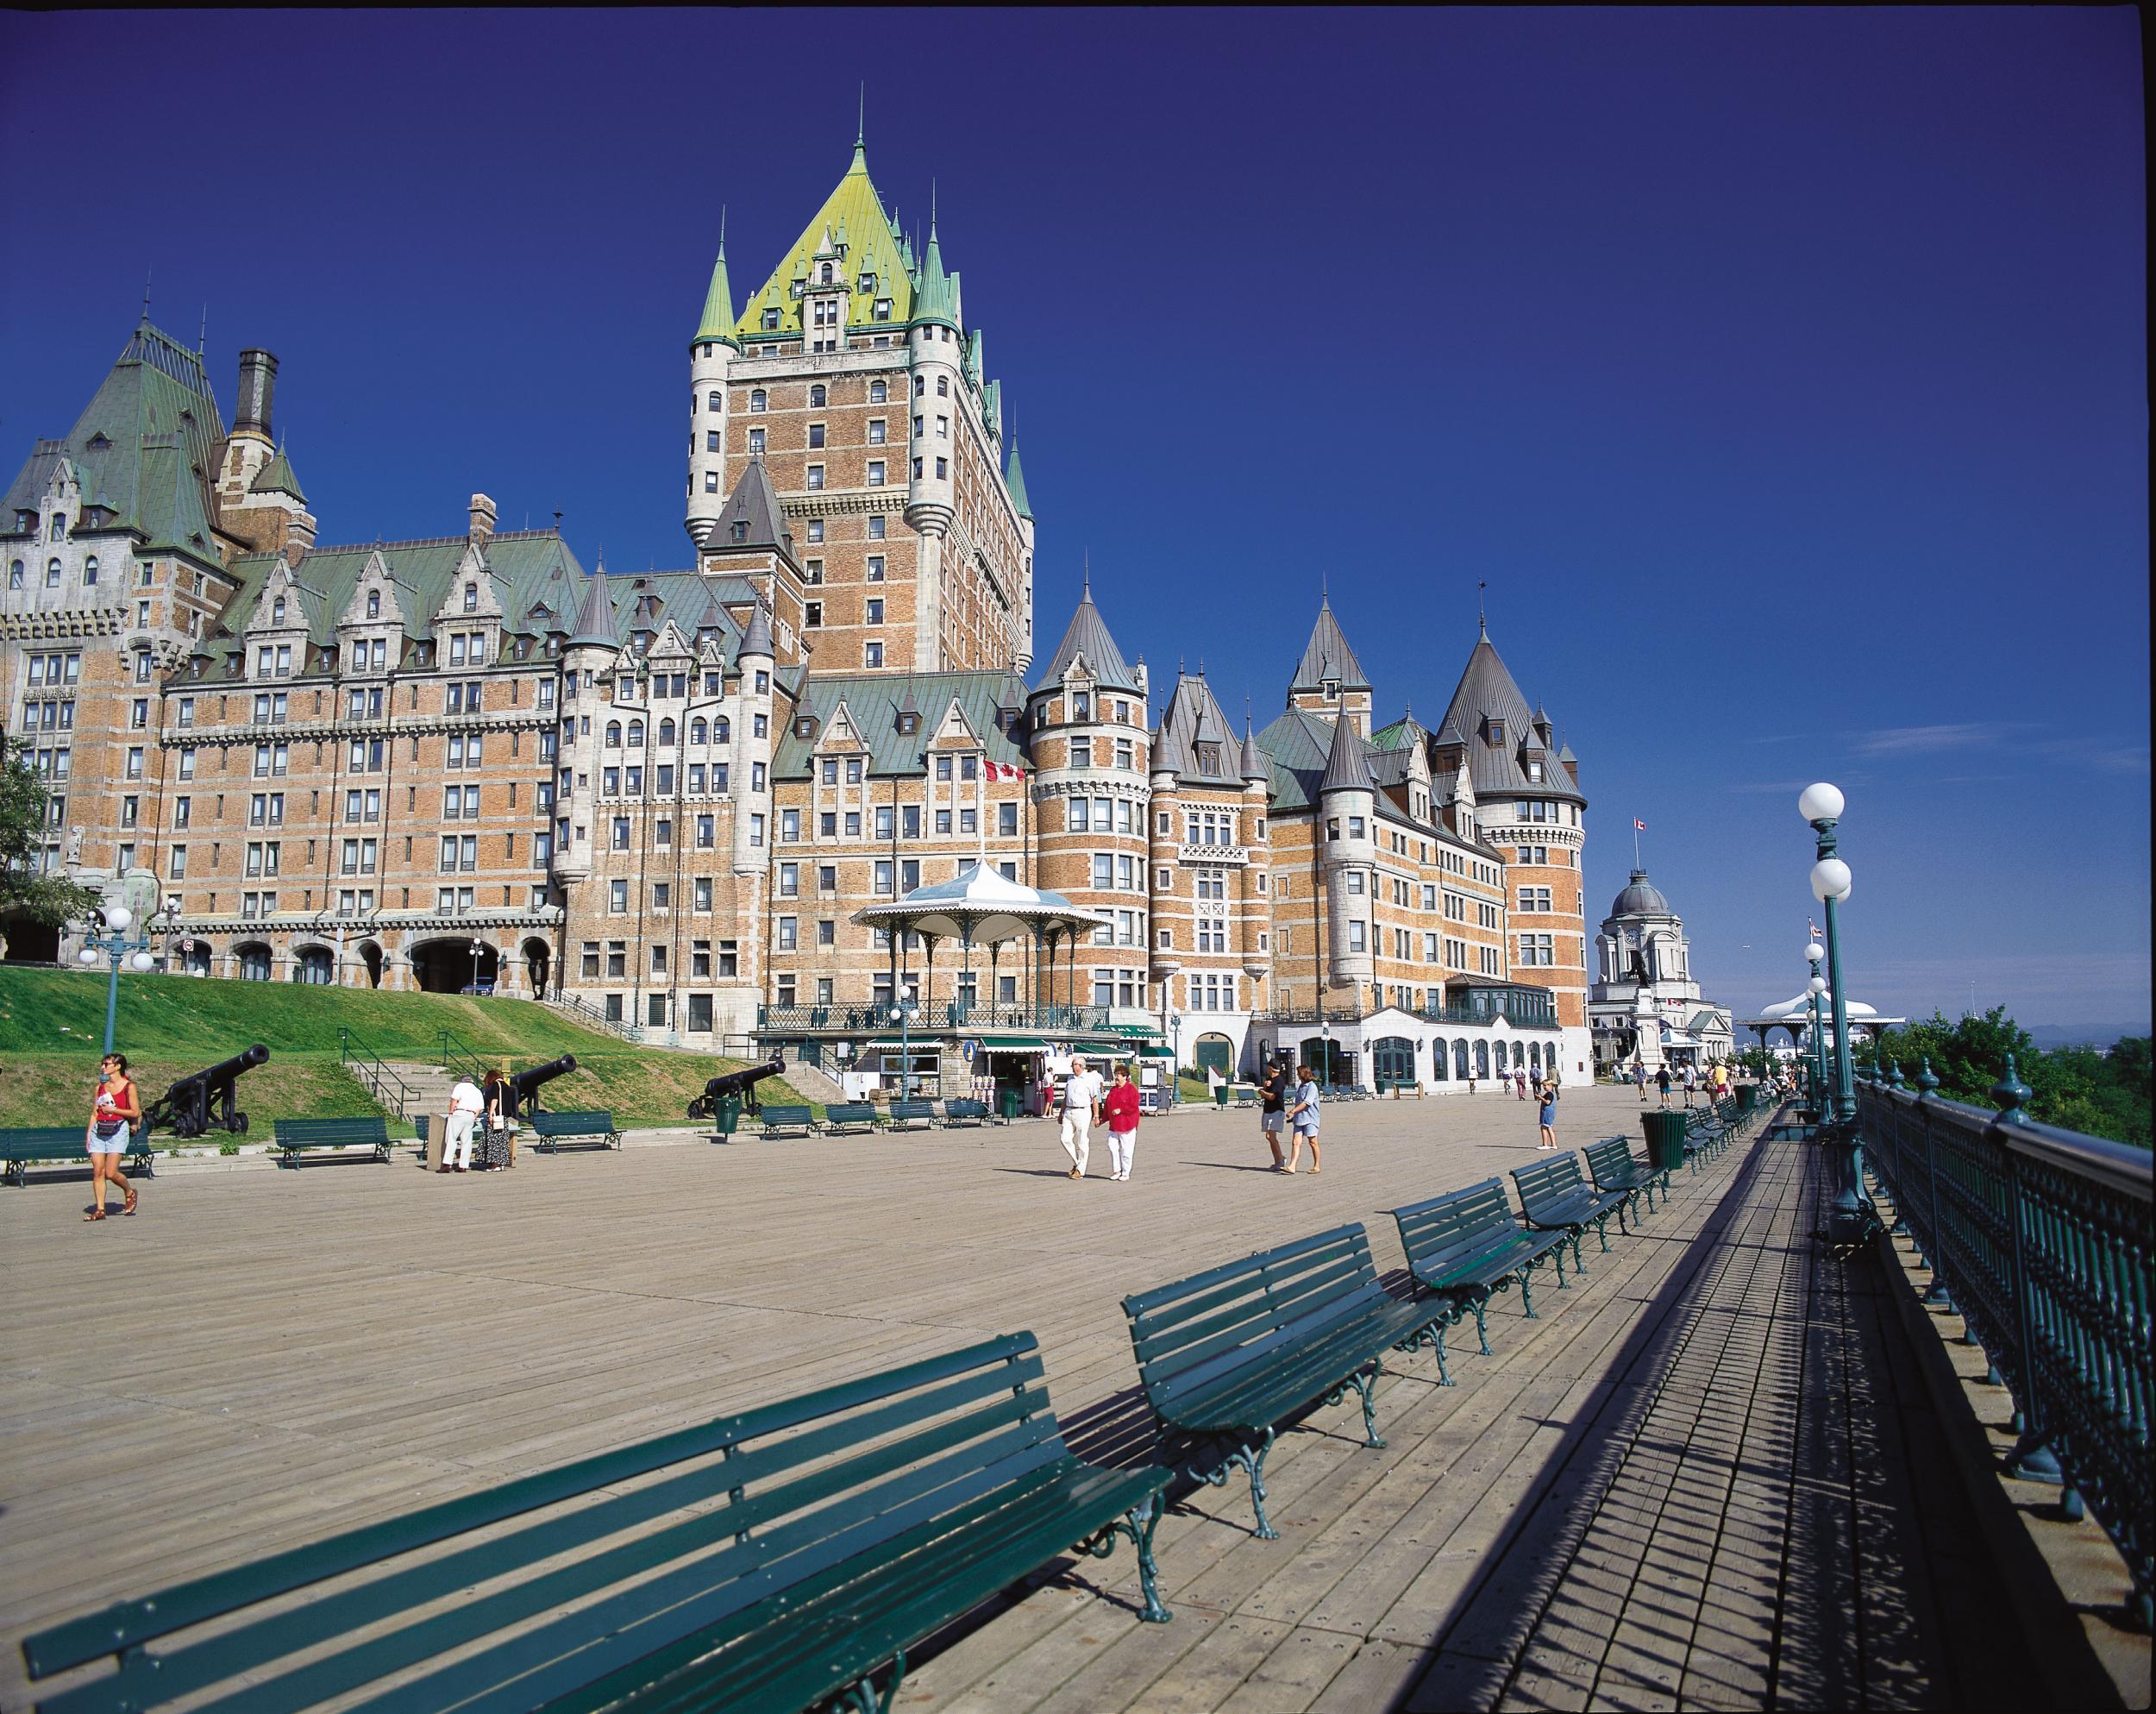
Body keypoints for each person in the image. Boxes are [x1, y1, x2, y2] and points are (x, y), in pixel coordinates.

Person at [85, 1052, 141, 1220]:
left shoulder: (129, 1087)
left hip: (118, 1130)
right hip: (99, 1130)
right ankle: (100, 1210)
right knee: (98, 1172)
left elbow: (135, 1112)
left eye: (106, 1064)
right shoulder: (100, 1088)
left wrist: (113, 1110)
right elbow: (95, 1113)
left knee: (111, 1173)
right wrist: (89, 1134)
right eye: (102, 1064)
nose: (103, 1067)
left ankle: (129, 1192)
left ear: (117, 1066)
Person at [1057, 1057, 1102, 1180]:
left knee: (1082, 1141)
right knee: (1064, 1138)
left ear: (1081, 1066)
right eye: (1072, 1065)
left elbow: (1094, 1098)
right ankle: (1078, 1163)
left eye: (1074, 1065)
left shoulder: (1089, 1079)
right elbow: (1066, 1097)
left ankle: (1080, 1170)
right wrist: (1061, 1113)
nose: (1073, 1067)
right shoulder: (1070, 1078)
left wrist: (1096, 1115)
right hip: (1069, 1110)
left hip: (1083, 1110)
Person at [1102, 1063, 1143, 1181]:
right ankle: (1117, 1170)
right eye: (1116, 1075)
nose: (1116, 1078)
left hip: (1127, 1125)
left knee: (1126, 1150)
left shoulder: (1131, 1090)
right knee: (1112, 1146)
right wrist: (1102, 1119)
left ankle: (1125, 1172)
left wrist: (1122, 1109)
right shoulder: (1113, 1090)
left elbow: (1134, 1106)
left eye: (1118, 1075)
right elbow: (1107, 1107)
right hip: (1114, 1126)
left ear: (1125, 1077)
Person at [440, 1071, 485, 1173]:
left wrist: (451, 1113)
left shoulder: (459, 1086)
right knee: (467, 1141)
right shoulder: (477, 1090)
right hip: (471, 1115)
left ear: (462, 1080)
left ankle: (447, 1164)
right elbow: (479, 1108)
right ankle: (463, 1166)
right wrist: (473, 1116)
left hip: (459, 1113)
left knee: (451, 1138)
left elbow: (454, 1100)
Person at [1286, 1062, 1322, 1174]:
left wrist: (1293, 1111)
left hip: (1310, 1119)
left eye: (1298, 1073)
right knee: (1296, 1142)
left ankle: (1316, 1166)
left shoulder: (1311, 1087)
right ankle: (1292, 1166)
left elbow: (1307, 1103)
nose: (1297, 1075)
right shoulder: (1301, 1087)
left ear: (1303, 1074)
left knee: (1313, 1141)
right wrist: (1294, 1116)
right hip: (1299, 1119)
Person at [1257, 1059, 1288, 1169]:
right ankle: (1278, 1160)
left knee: (1271, 1136)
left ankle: (1280, 1160)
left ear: (1271, 1068)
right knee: (1269, 1136)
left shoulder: (1279, 1081)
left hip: (1276, 1111)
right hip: (1268, 1110)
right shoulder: (1269, 1079)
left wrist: (1262, 1091)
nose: (1266, 1069)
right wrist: (1265, 1087)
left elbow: (1272, 1096)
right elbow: (1265, 1096)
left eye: (1268, 1067)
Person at [1537, 1077, 1560, 1150]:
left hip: (1547, 1113)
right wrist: (1540, 1097)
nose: (1544, 1087)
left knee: (1544, 1127)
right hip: (1550, 1113)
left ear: (1550, 1086)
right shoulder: (1550, 1094)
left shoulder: (1550, 1094)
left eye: (1545, 1086)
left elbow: (1548, 1102)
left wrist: (1541, 1098)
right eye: (1543, 1086)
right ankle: (1553, 1144)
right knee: (1549, 1128)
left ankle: (1545, 1144)